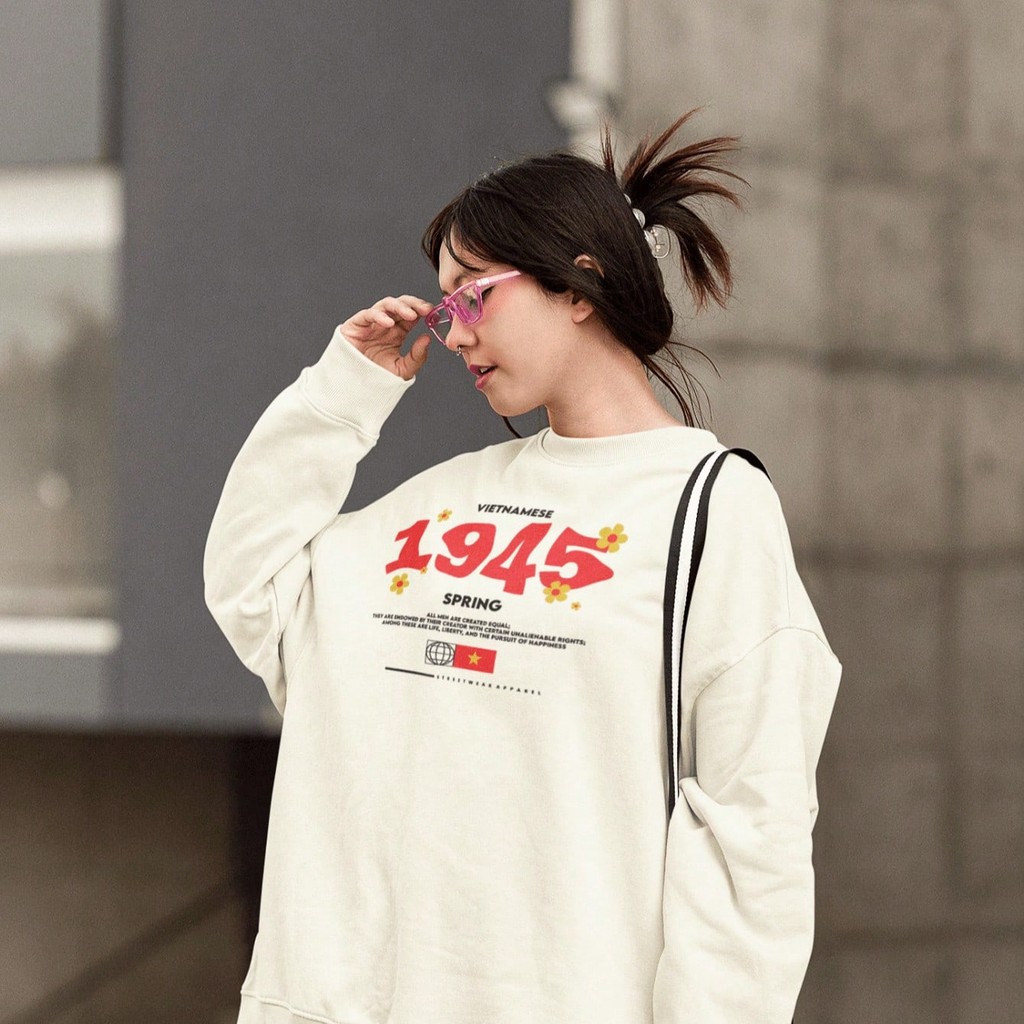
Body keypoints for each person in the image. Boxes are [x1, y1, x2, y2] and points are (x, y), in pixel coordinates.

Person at [204, 110, 841, 1024]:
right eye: (443, 306)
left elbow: (754, 833)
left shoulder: (711, 510)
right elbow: (252, 586)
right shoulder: (442, 498)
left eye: (472, 296)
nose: (451, 332)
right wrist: (341, 395)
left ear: (577, 285)